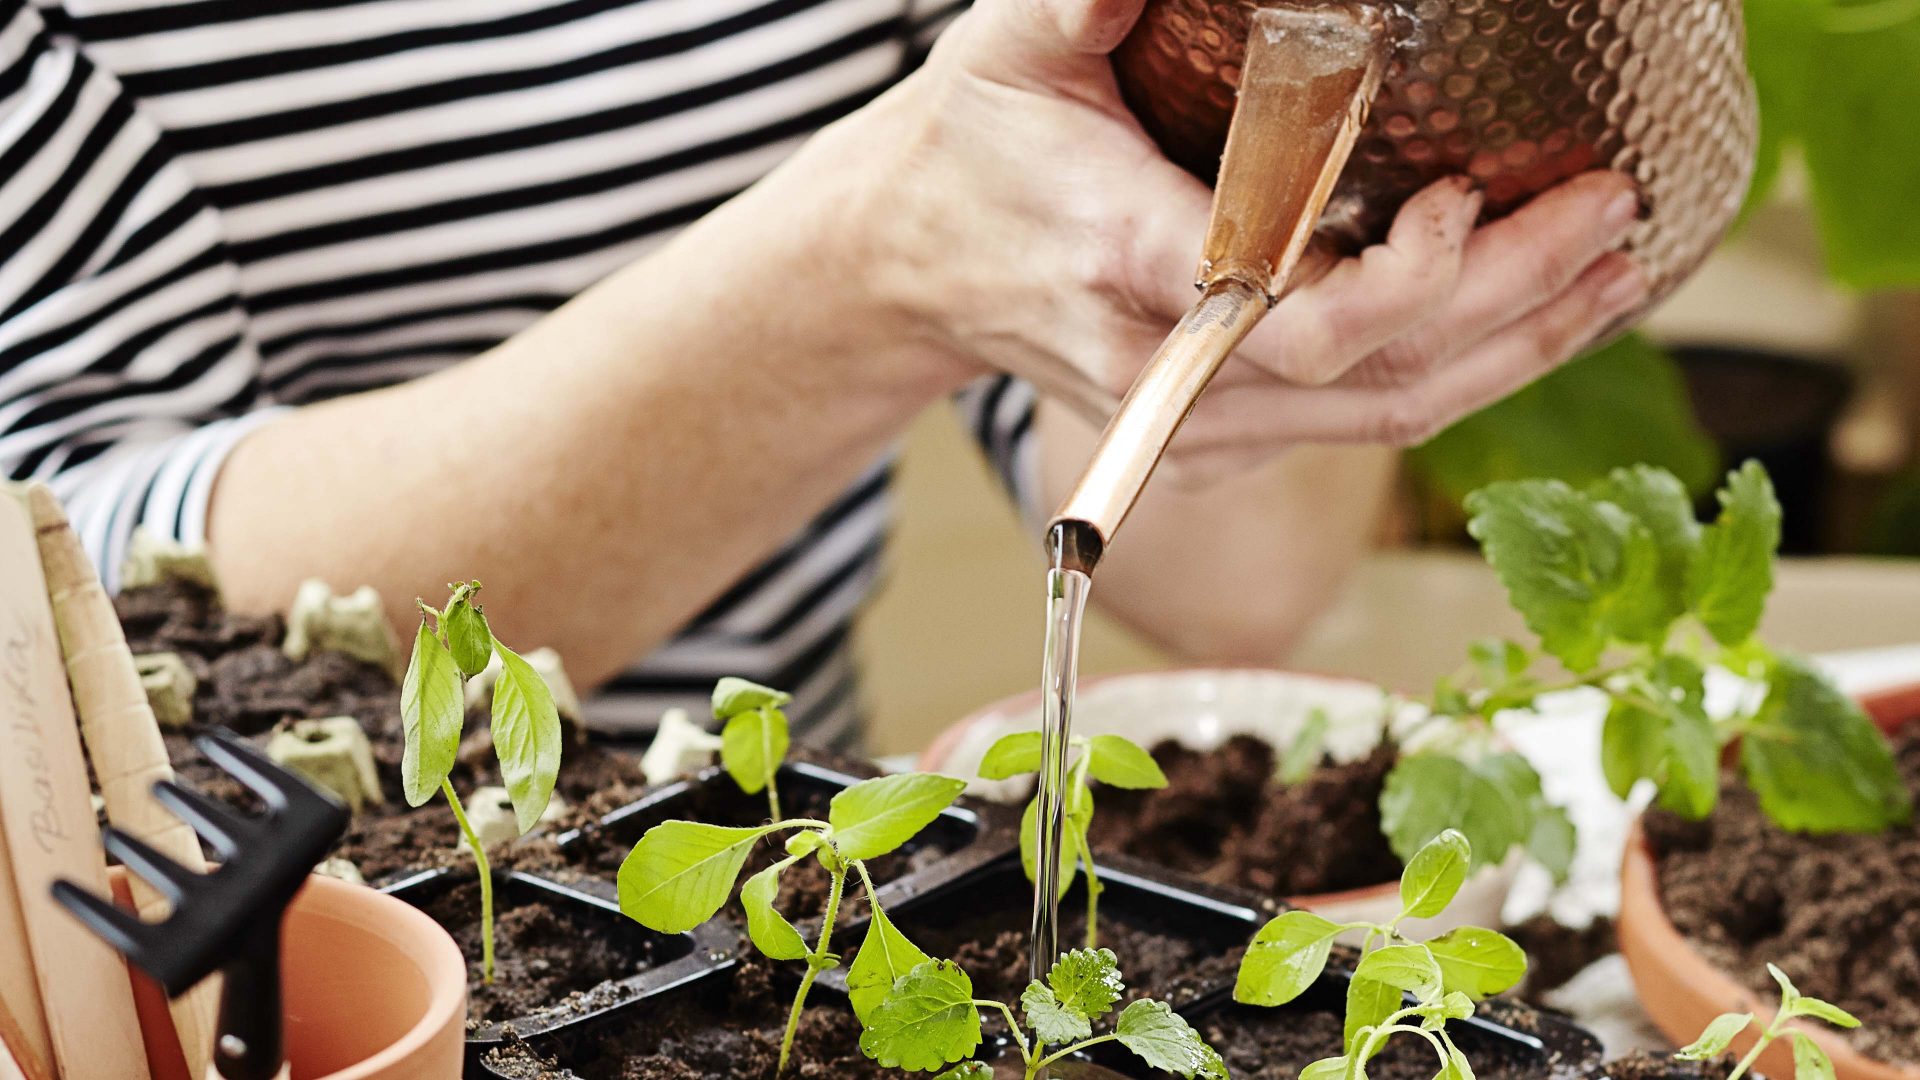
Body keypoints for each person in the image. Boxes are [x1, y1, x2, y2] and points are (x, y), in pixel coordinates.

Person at [0, 0, 1647, 746]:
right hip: (265, 961)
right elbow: (73, 650)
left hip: (782, 877)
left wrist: (1266, 107)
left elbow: (1238, 584)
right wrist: (867, 266)